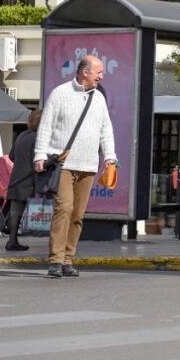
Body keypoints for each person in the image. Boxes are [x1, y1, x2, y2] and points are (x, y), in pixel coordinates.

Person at [33, 55, 117, 278]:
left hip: (88, 165)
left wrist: (110, 156)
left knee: (78, 215)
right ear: (84, 72)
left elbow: (105, 129)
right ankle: (56, 260)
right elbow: (46, 126)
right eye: (98, 71)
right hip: (64, 164)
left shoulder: (98, 98)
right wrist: (40, 155)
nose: (102, 75)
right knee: (64, 209)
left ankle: (68, 259)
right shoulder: (60, 93)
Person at [5, 108, 42, 251]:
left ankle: (12, 240)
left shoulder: (22, 135)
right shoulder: (40, 137)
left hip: (17, 178)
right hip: (32, 178)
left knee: (15, 212)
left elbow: (11, 156)